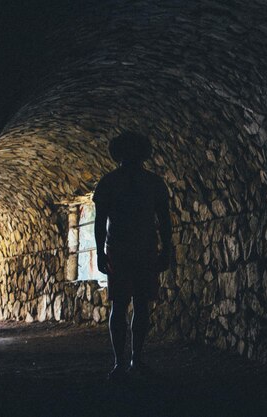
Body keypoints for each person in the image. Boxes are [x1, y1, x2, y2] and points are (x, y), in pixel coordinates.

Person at [92, 131, 173, 382]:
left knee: (120, 304)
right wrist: (166, 248)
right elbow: (165, 221)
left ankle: (120, 363)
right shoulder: (154, 183)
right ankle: (134, 360)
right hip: (144, 249)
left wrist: (100, 251)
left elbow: (100, 221)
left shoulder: (108, 182)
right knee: (140, 304)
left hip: (119, 249)